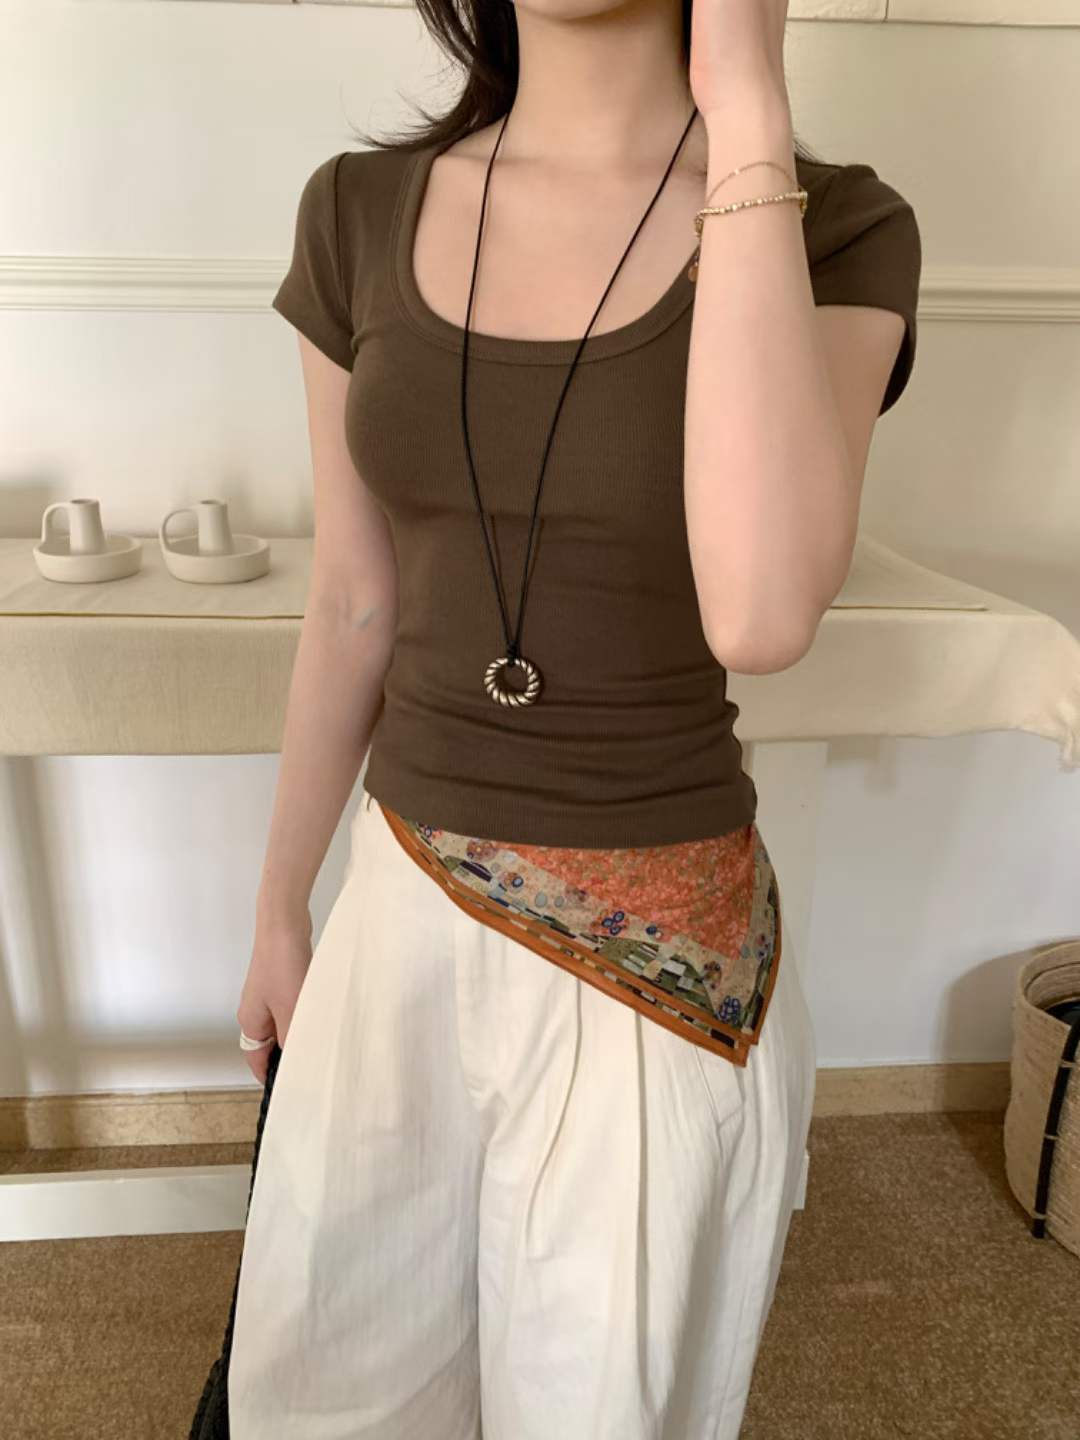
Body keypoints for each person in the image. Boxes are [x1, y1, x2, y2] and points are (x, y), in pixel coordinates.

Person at [218, 0, 921, 1435]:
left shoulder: (833, 223)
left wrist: (746, 102)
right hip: (398, 912)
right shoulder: (356, 211)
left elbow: (762, 614)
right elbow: (353, 597)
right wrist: (283, 903)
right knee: (326, 1392)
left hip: (649, 970)